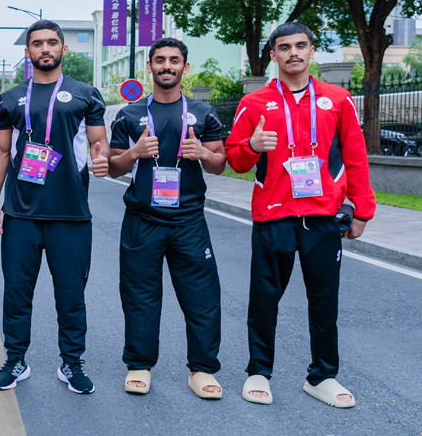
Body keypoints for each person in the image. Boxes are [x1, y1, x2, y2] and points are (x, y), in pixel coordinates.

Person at [225, 22, 376, 408]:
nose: (293, 53)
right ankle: (259, 371)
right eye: (284, 47)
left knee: (324, 300)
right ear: (273, 55)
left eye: (300, 46)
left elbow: (356, 158)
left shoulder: (338, 99)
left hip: (323, 215)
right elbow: (236, 160)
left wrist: (363, 211)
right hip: (272, 215)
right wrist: (253, 145)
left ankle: (322, 376)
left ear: (312, 52)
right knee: (264, 298)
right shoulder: (254, 103)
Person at [0, 19, 109, 394]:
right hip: (21, 212)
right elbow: (3, 150)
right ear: (28, 52)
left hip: (71, 214)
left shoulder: (86, 94)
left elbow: (98, 144)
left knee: (71, 293)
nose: (45, 49)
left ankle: (72, 364)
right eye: (37, 43)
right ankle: (15, 360)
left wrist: (103, 158)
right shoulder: (10, 98)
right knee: (17, 292)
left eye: (52, 43)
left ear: (63, 49)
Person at [108, 38, 226, 397]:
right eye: (160, 60)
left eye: (174, 60)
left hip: (189, 220)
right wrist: (136, 152)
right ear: (150, 66)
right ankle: (139, 365)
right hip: (142, 221)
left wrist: (203, 153)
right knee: (140, 295)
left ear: (185, 67)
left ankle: (202, 370)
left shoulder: (203, 113)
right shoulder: (130, 115)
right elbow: (113, 168)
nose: (167, 66)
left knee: (202, 295)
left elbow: (221, 165)